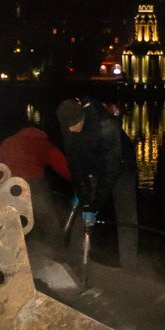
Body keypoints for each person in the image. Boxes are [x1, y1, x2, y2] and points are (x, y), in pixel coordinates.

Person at [57, 97, 139, 270]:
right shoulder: (69, 128)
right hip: (93, 165)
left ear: (82, 117)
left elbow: (111, 170)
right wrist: (82, 193)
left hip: (122, 168)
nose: (72, 130)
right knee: (83, 211)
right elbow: (75, 164)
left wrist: (95, 206)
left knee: (126, 217)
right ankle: (73, 260)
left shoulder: (107, 126)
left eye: (75, 125)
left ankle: (129, 268)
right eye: (68, 128)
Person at [0, 124, 71, 247]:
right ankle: (58, 254)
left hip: (9, 188)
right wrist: (78, 180)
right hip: (33, 186)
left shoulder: (7, 143)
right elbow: (63, 165)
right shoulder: (40, 143)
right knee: (47, 221)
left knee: (14, 224)